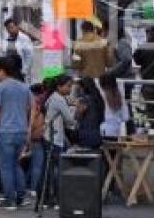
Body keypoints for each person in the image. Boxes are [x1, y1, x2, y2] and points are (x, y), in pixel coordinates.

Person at [0, 55, 33, 210]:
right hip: (21, 130)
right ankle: (21, 195)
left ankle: (9, 199)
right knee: (16, 164)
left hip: (5, 131)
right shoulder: (24, 87)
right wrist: (29, 129)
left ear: (2, 71)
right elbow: (32, 108)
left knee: (5, 166)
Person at [41, 75, 77, 208]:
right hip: (54, 138)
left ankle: (46, 199)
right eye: (68, 86)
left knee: (48, 170)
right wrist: (74, 108)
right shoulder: (59, 99)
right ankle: (56, 198)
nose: (70, 89)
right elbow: (69, 120)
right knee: (57, 170)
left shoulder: (53, 97)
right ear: (59, 87)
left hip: (48, 137)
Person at [26, 81, 47, 194]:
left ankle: (28, 184)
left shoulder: (29, 103)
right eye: (43, 93)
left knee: (33, 164)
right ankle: (34, 188)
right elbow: (33, 123)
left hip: (32, 137)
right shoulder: (35, 106)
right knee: (37, 164)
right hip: (35, 137)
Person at [75, 77, 105, 150]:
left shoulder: (83, 99)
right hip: (97, 136)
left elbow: (77, 116)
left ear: (83, 87)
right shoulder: (98, 98)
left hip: (86, 136)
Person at [3, 19, 34, 83]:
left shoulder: (24, 38)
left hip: (21, 71)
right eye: (8, 29)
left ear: (17, 26)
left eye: (11, 27)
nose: (10, 30)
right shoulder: (6, 39)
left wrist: (24, 71)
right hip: (9, 71)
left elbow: (29, 56)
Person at [99, 73, 130, 138]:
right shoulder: (119, 93)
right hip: (118, 127)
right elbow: (125, 117)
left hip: (105, 127)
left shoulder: (102, 94)